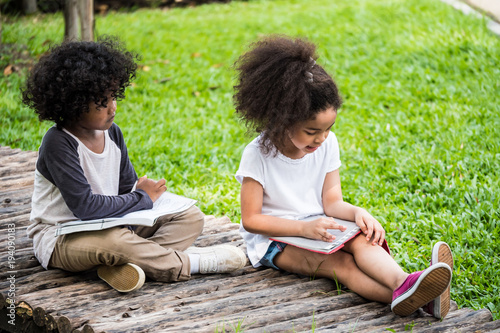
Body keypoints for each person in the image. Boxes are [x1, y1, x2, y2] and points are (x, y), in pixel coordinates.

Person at [233, 35, 453, 318]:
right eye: (312, 131)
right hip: (275, 241)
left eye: (328, 128)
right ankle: (420, 299)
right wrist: (303, 229)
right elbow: (251, 221)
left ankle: (405, 282)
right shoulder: (258, 155)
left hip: (322, 225)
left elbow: (332, 202)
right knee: (342, 265)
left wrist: (357, 212)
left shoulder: (327, 143)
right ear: (282, 119)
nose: (322, 138)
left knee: (362, 240)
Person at [22, 36, 247, 293]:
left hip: (108, 224)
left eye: (114, 96)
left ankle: (129, 264)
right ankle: (190, 262)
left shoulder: (112, 133)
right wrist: (142, 198)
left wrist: (140, 196)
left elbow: (126, 189)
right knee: (117, 242)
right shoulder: (58, 142)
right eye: (103, 102)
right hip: (62, 237)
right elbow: (86, 207)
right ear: (73, 103)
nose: (113, 107)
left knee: (190, 217)